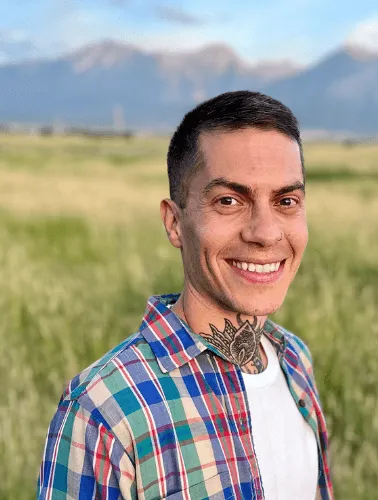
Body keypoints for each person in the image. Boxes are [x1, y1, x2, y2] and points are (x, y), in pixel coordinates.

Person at [37, 91, 334, 500]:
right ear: (174, 223)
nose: (266, 233)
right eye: (229, 201)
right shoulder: (104, 412)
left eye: (286, 201)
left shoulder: (295, 360)